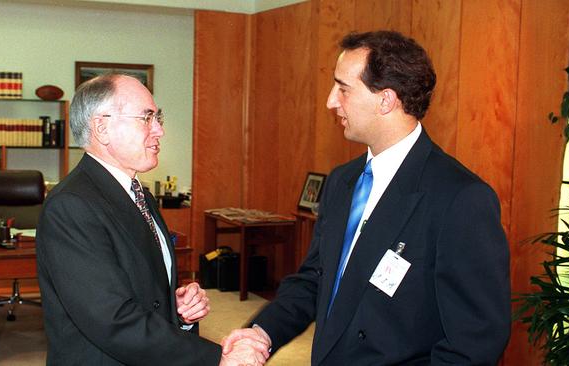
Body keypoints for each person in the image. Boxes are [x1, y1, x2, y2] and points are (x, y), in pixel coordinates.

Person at [222, 31, 511, 365]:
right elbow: (316, 279)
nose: (331, 101)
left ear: (385, 100)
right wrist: (263, 332)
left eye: (343, 89)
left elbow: (475, 343)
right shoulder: (342, 181)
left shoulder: (461, 199)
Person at [36, 74, 268, 365]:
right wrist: (216, 359)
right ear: (102, 128)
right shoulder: (71, 207)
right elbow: (113, 320)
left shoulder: (139, 193)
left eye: (158, 118)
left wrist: (176, 309)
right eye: (146, 118)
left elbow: (140, 289)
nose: (159, 130)